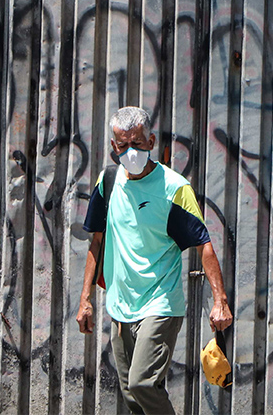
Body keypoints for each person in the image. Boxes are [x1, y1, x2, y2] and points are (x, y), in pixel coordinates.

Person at [76, 106, 233, 414]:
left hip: (160, 304)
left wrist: (220, 300)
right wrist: (86, 299)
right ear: (113, 146)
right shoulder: (108, 182)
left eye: (137, 144)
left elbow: (204, 244)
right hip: (121, 306)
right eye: (123, 146)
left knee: (142, 384)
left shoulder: (173, 188)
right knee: (133, 400)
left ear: (150, 142)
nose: (130, 152)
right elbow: (96, 241)